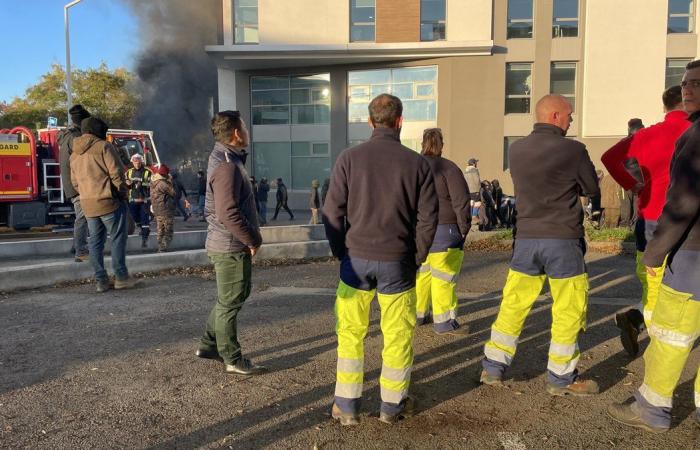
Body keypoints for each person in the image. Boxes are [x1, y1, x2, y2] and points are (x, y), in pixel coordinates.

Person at [323, 94, 438, 426]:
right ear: (400, 121)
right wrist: (415, 257)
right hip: (397, 262)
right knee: (398, 335)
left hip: (355, 262)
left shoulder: (349, 158)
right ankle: (392, 405)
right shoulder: (417, 164)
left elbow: (332, 212)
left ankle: (346, 405)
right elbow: (428, 219)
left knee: (350, 332)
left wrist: (340, 251)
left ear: (370, 122)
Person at [480, 95, 600, 396]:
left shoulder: (517, 149)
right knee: (568, 309)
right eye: (570, 115)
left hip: (527, 239)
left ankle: (493, 367)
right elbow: (591, 188)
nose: (572, 120)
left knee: (513, 303)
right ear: (556, 115)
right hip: (562, 239)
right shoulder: (574, 150)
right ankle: (561, 379)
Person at [607, 60, 700, 433]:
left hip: (675, 234)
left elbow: (682, 204)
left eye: (696, 82)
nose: (689, 88)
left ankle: (653, 407)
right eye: (686, 83)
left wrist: (634, 185)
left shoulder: (680, 135)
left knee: (669, 329)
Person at [601, 85, 690, 357]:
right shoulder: (692, 131)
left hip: (649, 216)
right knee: (683, 284)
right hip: (686, 219)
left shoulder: (646, 135)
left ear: (664, 107)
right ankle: (655, 334)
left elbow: (609, 158)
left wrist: (633, 184)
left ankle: (640, 319)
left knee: (652, 280)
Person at [195, 110, 265, 375]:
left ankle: (209, 345)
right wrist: (252, 238)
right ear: (236, 133)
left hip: (226, 243)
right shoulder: (226, 165)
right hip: (230, 245)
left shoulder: (225, 159)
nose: (247, 132)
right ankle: (232, 358)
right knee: (231, 301)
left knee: (231, 297)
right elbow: (228, 212)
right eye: (244, 128)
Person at [70, 117, 138, 292]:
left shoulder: (74, 153)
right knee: (117, 239)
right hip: (109, 202)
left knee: (95, 242)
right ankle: (121, 277)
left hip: (88, 204)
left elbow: (74, 182)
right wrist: (123, 193)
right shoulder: (104, 147)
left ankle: (101, 280)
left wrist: (86, 193)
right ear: (97, 131)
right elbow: (117, 174)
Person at [415, 128, 470, 335]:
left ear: (422, 143)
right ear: (442, 145)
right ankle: (444, 322)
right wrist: (463, 228)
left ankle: (419, 314)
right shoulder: (449, 168)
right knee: (443, 277)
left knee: (421, 275)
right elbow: (460, 201)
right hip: (445, 229)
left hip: (419, 230)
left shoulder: (413, 167)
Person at [57, 104, 91, 262]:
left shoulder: (67, 136)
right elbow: (83, 161)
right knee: (83, 217)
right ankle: (81, 251)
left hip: (71, 183)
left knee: (81, 216)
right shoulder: (76, 137)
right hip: (78, 184)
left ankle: (76, 246)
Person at [126, 154, 152, 248]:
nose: (137, 163)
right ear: (132, 162)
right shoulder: (129, 172)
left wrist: (142, 184)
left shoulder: (148, 172)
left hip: (144, 200)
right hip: (133, 200)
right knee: (135, 218)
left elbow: (151, 184)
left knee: (144, 219)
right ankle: (143, 229)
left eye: (138, 162)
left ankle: (144, 239)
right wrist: (128, 184)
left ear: (141, 162)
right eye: (135, 162)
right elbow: (125, 183)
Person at [150, 164, 177, 252]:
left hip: (157, 210)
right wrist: (170, 181)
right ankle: (163, 247)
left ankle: (160, 246)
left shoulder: (154, 183)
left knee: (160, 229)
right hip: (166, 210)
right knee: (168, 230)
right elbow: (173, 193)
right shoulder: (163, 183)